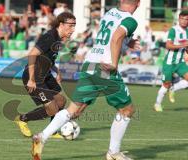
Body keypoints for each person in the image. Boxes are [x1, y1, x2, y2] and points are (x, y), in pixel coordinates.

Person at [31, 0, 140, 160]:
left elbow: (111, 35)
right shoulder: (130, 20)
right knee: (127, 110)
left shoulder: (109, 13)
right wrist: (114, 63)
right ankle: (113, 153)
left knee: (74, 110)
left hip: (89, 65)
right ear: (138, 4)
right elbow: (116, 37)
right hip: (104, 68)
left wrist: (127, 41)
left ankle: (42, 136)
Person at [14, 12, 76, 138]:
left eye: (74, 26)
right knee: (52, 109)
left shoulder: (58, 39)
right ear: (61, 25)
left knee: (61, 101)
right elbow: (32, 54)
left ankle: (52, 131)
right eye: (70, 26)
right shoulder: (50, 37)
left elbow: (48, 58)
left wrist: (56, 71)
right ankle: (22, 118)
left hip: (45, 74)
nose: (73, 29)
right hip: (35, 77)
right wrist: (31, 79)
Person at [154, 11, 188, 112]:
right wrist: (183, 45)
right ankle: (157, 104)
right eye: (182, 19)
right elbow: (168, 45)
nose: (184, 21)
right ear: (179, 19)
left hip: (180, 62)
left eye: (187, 19)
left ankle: (174, 88)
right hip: (169, 63)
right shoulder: (174, 30)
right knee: (166, 85)